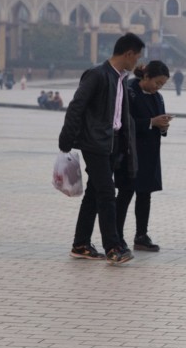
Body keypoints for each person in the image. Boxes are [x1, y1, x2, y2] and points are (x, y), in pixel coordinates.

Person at [58, 32, 144, 265]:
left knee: (95, 193)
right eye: (136, 57)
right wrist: (65, 141)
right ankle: (113, 248)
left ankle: (81, 244)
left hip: (112, 144)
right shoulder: (97, 75)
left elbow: (120, 115)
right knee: (107, 193)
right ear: (127, 54)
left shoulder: (120, 78)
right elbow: (77, 106)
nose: (137, 62)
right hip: (95, 143)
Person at [116, 61, 172, 253]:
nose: (158, 87)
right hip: (130, 152)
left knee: (144, 194)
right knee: (125, 194)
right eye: (157, 83)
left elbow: (158, 121)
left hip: (150, 153)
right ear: (146, 77)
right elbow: (123, 121)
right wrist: (150, 122)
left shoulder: (158, 97)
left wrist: (163, 125)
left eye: (162, 85)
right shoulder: (129, 91)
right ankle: (116, 237)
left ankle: (141, 235)